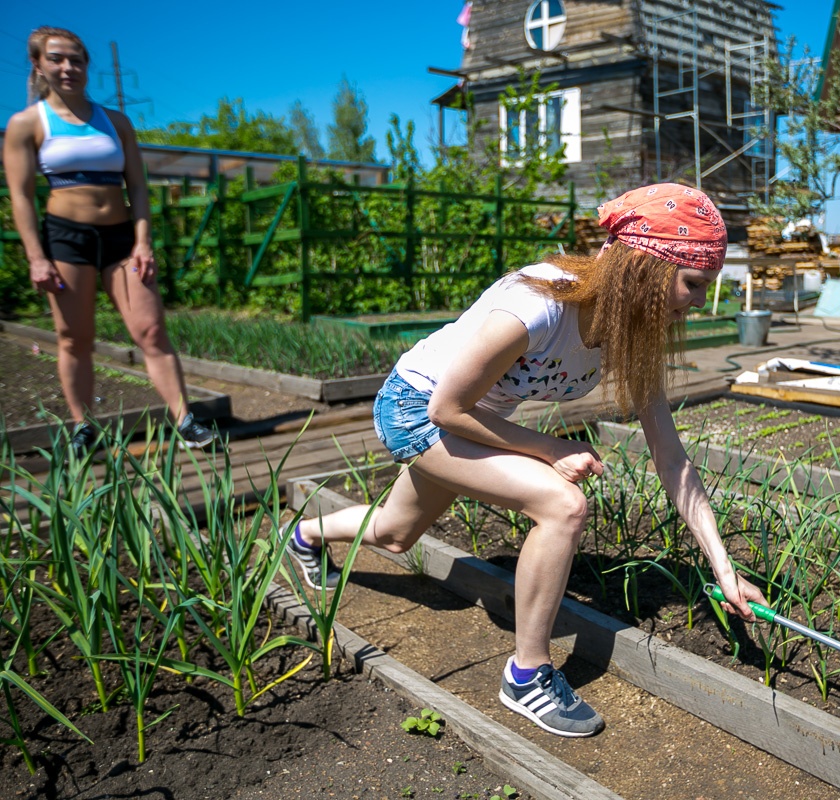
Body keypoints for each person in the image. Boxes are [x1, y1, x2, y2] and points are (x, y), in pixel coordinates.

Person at [280, 182, 767, 738]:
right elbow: (446, 407)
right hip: (417, 406)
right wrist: (551, 449)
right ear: (647, 268)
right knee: (562, 505)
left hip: (476, 419)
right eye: (695, 283)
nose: (700, 300)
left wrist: (723, 571)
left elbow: (672, 458)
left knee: (395, 535)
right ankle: (527, 675)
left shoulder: (633, 331)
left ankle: (307, 535)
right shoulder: (537, 306)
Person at [3, 26, 215, 456]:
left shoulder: (115, 121)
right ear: (39, 65)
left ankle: (184, 420)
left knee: (152, 330)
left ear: (86, 66)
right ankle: (84, 426)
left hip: (121, 239)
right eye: (57, 59)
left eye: (76, 60)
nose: (68, 68)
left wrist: (143, 241)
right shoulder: (27, 124)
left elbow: (137, 186)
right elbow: (21, 196)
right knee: (74, 337)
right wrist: (36, 257)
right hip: (67, 240)